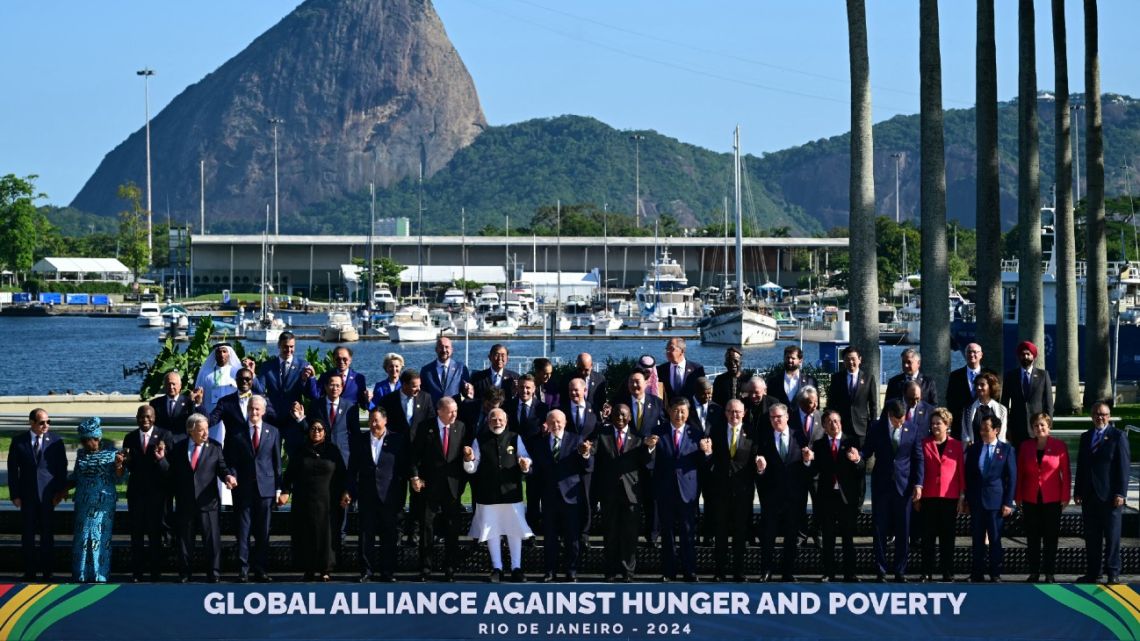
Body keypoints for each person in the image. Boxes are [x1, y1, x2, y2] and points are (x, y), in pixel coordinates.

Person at [161, 413, 237, 583]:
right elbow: (171, 473)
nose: (205, 434)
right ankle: (185, 574)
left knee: (211, 541)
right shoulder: (178, 448)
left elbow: (222, 468)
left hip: (208, 502)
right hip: (185, 502)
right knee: (185, 542)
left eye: (206, 430)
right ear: (190, 431)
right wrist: (161, 461)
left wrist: (228, 477)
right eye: (201, 430)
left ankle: (214, 574)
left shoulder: (215, 447)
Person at [463, 408, 533, 583]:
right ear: (488, 421)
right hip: (488, 494)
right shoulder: (479, 440)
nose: (497, 422)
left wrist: (525, 464)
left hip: (511, 493)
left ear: (506, 420)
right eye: (493, 419)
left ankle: (516, 568)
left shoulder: (515, 438)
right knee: (491, 531)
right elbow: (471, 468)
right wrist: (468, 459)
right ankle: (497, 568)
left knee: (514, 530)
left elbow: (525, 459)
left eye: (500, 419)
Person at [856, 399, 923, 582]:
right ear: (889, 415)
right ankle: (881, 570)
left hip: (904, 487)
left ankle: (900, 571)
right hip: (882, 486)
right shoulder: (877, 427)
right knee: (880, 529)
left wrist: (918, 484)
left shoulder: (913, 428)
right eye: (897, 420)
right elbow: (867, 451)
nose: (900, 424)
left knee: (903, 530)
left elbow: (918, 458)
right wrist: (857, 456)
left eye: (902, 420)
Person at [295, 374, 361, 556]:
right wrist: (301, 420)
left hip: (343, 460)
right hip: (321, 462)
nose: (334, 388)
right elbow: (310, 431)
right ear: (325, 387)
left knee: (342, 501)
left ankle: (340, 542)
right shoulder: (316, 405)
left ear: (342, 388)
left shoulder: (351, 407)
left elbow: (355, 434)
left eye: (338, 385)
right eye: (331, 385)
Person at [651, 398, 712, 582]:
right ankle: (669, 572)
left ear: (688, 412)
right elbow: (649, 461)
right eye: (676, 411)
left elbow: (704, 465)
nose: (679, 415)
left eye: (683, 411)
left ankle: (689, 571)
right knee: (667, 534)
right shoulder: (658, 432)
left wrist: (707, 453)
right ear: (669, 411)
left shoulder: (696, 433)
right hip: (665, 490)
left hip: (688, 491)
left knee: (688, 533)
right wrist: (649, 448)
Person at [528, 409, 593, 582]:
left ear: (564, 423)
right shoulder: (540, 444)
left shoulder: (576, 440)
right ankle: (550, 571)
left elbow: (587, 467)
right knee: (550, 538)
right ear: (547, 425)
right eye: (552, 422)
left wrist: (585, 454)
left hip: (571, 497)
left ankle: (571, 571)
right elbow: (537, 472)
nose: (556, 425)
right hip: (549, 498)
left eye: (559, 422)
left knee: (572, 537)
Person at [409, 397, 469, 581]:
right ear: (439, 411)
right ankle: (425, 568)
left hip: (452, 488)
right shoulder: (424, 427)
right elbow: (414, 456)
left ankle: (450, 568)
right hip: (429, 487)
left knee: (452, 528)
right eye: (450, 411)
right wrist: (415, 477)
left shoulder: (461, 427)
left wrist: (462, 481)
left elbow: (464, 457)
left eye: (456, 411)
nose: (454, 415)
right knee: (427, 527)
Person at [347, 408, 409, 583]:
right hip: (367, 496)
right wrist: (350, 490)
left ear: (385, 420)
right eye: (371, 421)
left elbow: (403, 469)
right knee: (366, 536)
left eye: (377, 421)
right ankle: (366, 571)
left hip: (389, 496)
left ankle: (387, 572)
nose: (373, 424)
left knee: (389, 536)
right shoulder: (360, 440)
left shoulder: (397, 440)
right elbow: (353, 468)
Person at [224, 395, 281, 582]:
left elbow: (276, 463)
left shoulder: (273, 432)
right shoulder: (236, 433)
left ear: (263, 411)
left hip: (266, 489)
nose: (254, 412)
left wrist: (279, 489)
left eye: (257, 409)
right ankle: (243, 569)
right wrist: (231, 475)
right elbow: (230, 460)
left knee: (263, 531)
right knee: (243, 530)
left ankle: (261, 569)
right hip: (243, 489)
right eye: (251, 408)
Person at [280, 420, 346, 582]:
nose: (316, 432)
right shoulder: (301, 451)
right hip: (304, 501)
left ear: (325, 432)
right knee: (306, 535)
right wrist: (286, 491)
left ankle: (326, 569)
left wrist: (346, 492)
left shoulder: (333, 451)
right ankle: (308, 569)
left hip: (328, 501)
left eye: (320, 429)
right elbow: (289, 475)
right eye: (313, 428)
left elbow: (343, 474)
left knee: (327, 535)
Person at [593, 404, 652, 582]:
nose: (619, 418)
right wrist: (586, 451)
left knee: (630, 534)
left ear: (630, 417)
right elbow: (593, 455)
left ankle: (628, 572)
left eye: (623, 415)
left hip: (631, 494)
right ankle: (610, 571)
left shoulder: (639, 438)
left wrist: (649, 449)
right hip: (609, 492)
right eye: (617, 414)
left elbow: (646, 463)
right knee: (610, 533)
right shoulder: (602, 436)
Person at [8, 408, 68, 581]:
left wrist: (59, 492)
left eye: (48, 422)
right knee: (27, 535)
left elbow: (61, 468)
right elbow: (13, 471)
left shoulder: (56, 441)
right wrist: (15, 495)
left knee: (47, 535)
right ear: (31, 422)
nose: (46, 425)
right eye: (42, 422)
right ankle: (29, 572)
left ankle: (47, 572)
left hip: (48, 496)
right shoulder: (19, 442)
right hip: (27, 497)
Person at [1075, 401, 1130, 584]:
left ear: (1109, 416)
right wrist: (1078, 491)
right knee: (1092, 537)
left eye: (1104, 414)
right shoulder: (1086, 437)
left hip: (1110, 497)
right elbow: (1082, 466)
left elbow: (1123, 467)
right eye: (1097, 414)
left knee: (1112, 537)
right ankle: (1093, 572)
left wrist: (1121, 493)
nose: (1100, 417)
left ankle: (1113, 572)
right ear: (1092, 416)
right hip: (1090, 496)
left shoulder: (1118, 436)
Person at [378, 367, 434, 545]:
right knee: (397, 496)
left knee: (418, 496)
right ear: (404, 385)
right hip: (396, 455)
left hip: (419, 456)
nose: (417, 390)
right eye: (414, 386)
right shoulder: (389, 400)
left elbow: (431, 421)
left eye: (419, 386)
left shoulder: (426, 398)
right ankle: (398, 532)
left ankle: (414, 532)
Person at [755, 403, 811, 581]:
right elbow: (759, 468)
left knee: (791, 536)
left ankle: (787, 572)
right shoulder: (763, 438)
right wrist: (761, 469)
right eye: (772, 417)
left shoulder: (800, 436)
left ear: (787, 417)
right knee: (768, 536)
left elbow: (807, 466)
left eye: (779, 416)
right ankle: (766, 570)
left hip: (794, 497)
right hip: (771, 497)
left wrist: (808, 461)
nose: (776, 420)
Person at [809, 409, 865, 582]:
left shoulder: (851, 441)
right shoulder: (818, 445)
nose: (834, 424)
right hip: (827, 498)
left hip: (846, 498)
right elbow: (813, 472)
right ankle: (829, 573)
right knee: (828, 538)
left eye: (836, 421)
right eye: (830, 422)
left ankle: (850, 573)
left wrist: (857, 460)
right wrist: (807, 460)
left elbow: (861, 470)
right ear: (824, 426)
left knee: (848, 538)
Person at [707, 400, 759, 582]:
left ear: (744, 413)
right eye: (730, 411)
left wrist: (760, 465)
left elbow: (756, 457)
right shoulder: (716, 430)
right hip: (721, 491)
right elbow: (710, 458)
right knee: (720, 533)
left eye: (737, 412)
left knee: (740, 533)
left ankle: (739, 571)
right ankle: (719, 572)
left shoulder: (752, 432)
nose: (734, 415)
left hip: (743, 491)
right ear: (725, 413)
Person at [1015, 412, 1071, 583]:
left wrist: (1065, 496)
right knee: (1032, 537)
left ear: (1049, 427)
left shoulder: (1059, 446)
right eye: (1036, 426)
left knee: (1050, 537)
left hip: (1052, 499)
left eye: (1042, 425)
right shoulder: (1025, 446)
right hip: (1030, 498)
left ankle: (1049, 572)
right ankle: (1034, 572)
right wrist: (1018, 496)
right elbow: (1020, 473)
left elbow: (1066, 474)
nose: (1039, 428)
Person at [70, 417, 124, 583]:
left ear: (98, 438)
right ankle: (81, 574)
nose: (86, 443)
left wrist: (119, 466)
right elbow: (76, 476)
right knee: (82, 538)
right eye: (83, 440)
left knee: (101, 538)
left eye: (89, 440)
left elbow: (120, 478)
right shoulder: (81, 455)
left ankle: (100, 574)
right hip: (83, 503)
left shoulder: (112, 455)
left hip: (103, 505)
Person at [122, 405, 173, 582]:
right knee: (136, 535)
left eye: (148, 417)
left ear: (154, 417)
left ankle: (155, 573)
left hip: (157, 494)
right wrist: (125, 462)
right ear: (137, 418)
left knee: (155, 535)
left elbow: (169, 469)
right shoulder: (130, 438)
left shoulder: (165, 436)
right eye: (142, 417)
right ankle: (137, 572)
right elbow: (130, 466)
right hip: (136, 494)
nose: (145, 420)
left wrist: (161, 459)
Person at [963, 415, 1016, 582]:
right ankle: (976, 573)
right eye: (981, 429)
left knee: (994, 539)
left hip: (996, 502)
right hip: (977, 501)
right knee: (977, 539)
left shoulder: (1006, 450)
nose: (983, 432)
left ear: (996, 430)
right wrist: (967, 499)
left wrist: (1008, 502)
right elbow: (969, 476)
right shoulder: (973, 449)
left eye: (987, 429)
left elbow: (1012, 477)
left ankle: (995, 573)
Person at [914, 407, 964, 582]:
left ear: (947, 425)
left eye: (939, 423)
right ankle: (926, 571)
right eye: (933, 423)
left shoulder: (957, 445)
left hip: (949, 498)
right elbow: (918, 469)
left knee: (947, 538)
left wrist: (962, 496)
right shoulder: (923, 443)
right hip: (928, 497)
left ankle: (947, 571)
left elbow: (961, 472)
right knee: (927, 537)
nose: (935, 426)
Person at [255, 332, 310, 458]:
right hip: (272, 418)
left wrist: (305, 380)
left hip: (293, 419)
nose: (289, 350)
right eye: (285, 346)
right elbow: (260, 390)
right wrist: (252, 375)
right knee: (270, 456)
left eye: (291, 346)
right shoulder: (267, 366)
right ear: (279, 345)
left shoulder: (303, 366)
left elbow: (308, 393)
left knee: (295, 456)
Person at [1002, 340, 1054, 448]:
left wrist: (1048, 425)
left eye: (1028, 354)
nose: (1025, 356)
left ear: (1033, 356)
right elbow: (1004, 404)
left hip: (1037, 427)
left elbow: (1048, 403)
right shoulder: (1010, 376)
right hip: (1016, 427)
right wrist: (1005, 426)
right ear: (1019, 357)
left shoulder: (1043, 375)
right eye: (1022, 354)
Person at [826, 346, 877, 445]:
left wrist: (873, 425)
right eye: (847, 359)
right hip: (841, 427)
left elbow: (873, 405)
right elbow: (831, 403)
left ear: (859, 359)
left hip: (862, 428)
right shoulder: (837, 378)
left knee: (861, 458)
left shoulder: (868, 378)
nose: (850, 362)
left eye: (853, 359)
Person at [946, 343, 994, 435]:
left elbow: (995, 397)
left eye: (975, 352)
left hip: (984, 425)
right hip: (960, 427)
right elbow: (950, 400)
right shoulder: (955, 376)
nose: (972, 355)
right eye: (969, 352)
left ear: (981, 355)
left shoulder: (990, 375)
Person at [194, 343, 248, 414]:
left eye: (224, 351)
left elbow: (246, 393)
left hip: (232, 414)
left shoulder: (237, 372)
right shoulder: (206, 373)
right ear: (215, 355)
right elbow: (198, 395)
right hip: (211, 414)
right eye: (219, 352)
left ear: (229, 354)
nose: (221, 354)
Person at [960, 372, 1008, 446]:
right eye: (977, 385)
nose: (978, 387)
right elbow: (965, 435)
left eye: (982, 385)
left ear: (991, 387)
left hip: (994, 453)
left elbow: (1001, 436)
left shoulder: (1001, 410)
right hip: (974, 452)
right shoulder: (968, 409)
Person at [420, 337, 471, 403]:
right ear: (436, 349)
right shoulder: (426, 371)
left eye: (447, 347)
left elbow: (465, 393)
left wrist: (456, 402)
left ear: (452, 350)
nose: (444, 350)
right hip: (434, 411)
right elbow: (423, 395)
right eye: (441, 347)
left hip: (455, 411)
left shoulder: (461, 369)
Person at [658, 337, 706, 403]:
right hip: (668, 411)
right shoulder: (660, 369)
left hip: (691, 411)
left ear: (682, 351)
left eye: (671, 348)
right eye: (667, 349)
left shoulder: (697, 369)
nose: (667, 352)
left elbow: (702, 392)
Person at [150, 371, 197, 435]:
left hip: (182, 442)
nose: (171, 387)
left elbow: (193, 421)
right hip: (162, 442)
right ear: (164, 386)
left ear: (180, 385)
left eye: (173, 384)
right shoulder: (155, 403)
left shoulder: (188, 402)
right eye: (168, 384)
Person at [622, 368, 665, 438]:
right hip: (628, 446)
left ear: (646, 383)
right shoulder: (622, 402)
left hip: (649, 446)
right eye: (631, 382)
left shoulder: (656, 402)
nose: (634, 385)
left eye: (637, 381)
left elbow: (664, 424)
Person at [505, 374, 548, 439]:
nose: (524, 391)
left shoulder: (543, 408)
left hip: (534, 447)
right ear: (517, 388)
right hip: (513, 446)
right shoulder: (507, 406)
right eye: (521, 387)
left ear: (534, 389)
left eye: (528, 388)